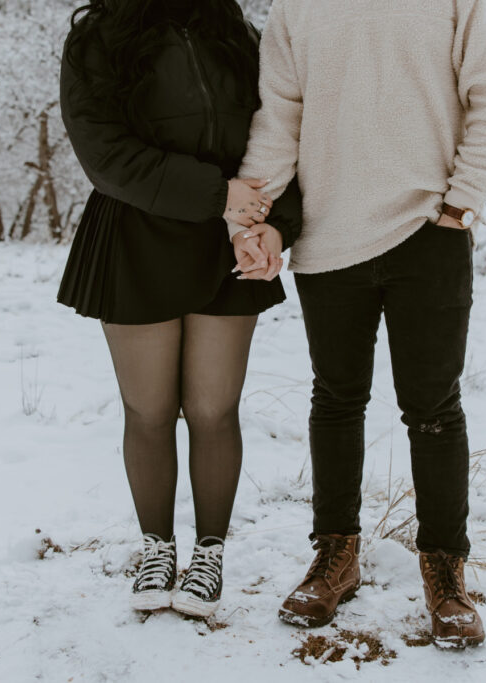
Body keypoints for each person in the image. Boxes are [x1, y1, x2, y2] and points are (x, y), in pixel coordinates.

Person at [230, 0, 486, 647]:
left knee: (433, 407)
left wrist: (459, 206)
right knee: (335, 398)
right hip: (328, 241)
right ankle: (336, 557)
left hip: (431, 231)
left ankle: (445, 574)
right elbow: (279, 120)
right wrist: (249, 219)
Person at [57, 0, 301, 618]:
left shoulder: (237, 33)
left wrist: (275, 224)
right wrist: (214, 193)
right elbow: (103, 152)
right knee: (149, 410)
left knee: (215, 410)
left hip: (231, 238)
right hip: (137, 234)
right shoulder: (99, 38)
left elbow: (281, 131)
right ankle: (158, 548)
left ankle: (210, 553)